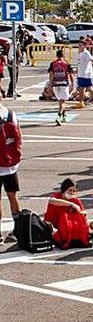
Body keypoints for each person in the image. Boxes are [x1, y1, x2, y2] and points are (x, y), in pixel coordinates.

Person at [44, 178, 90, 249]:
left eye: (74, 191)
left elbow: (83, 212)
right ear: (64, 189)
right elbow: (52, 201)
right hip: (52, 225)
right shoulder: (57, 196)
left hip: (66, 228)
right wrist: (71, 204)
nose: (72, 193)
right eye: (70, 190)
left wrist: (80, 212)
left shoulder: (75, 200)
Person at [0, 100, 21, 240]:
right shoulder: (10, 114)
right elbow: (19, 135)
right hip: (10, 165)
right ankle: (17, 230)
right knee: (13, 197)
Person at [48, 50, 74, 125]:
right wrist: (72, 84)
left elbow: (51, 75)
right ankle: (59, 115)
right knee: (62, 101)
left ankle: (64, 115)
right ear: (63, 55)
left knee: (61, 101)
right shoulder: (67, 64)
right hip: (64, 83)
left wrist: (50, 84)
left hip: (55, 84)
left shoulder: (52, 63)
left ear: (56, 55)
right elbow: (71, 75)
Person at [73, 40, 93, 109]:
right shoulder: (81, 53)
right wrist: (76, 70)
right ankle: (81, 103)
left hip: (85, 74)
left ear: (85, 46)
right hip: (81, 73)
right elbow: (81, 64)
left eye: (81, 45)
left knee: (89, 88)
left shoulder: (86, 53)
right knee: (81, 88)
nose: (79, 46)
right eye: (79, 45)